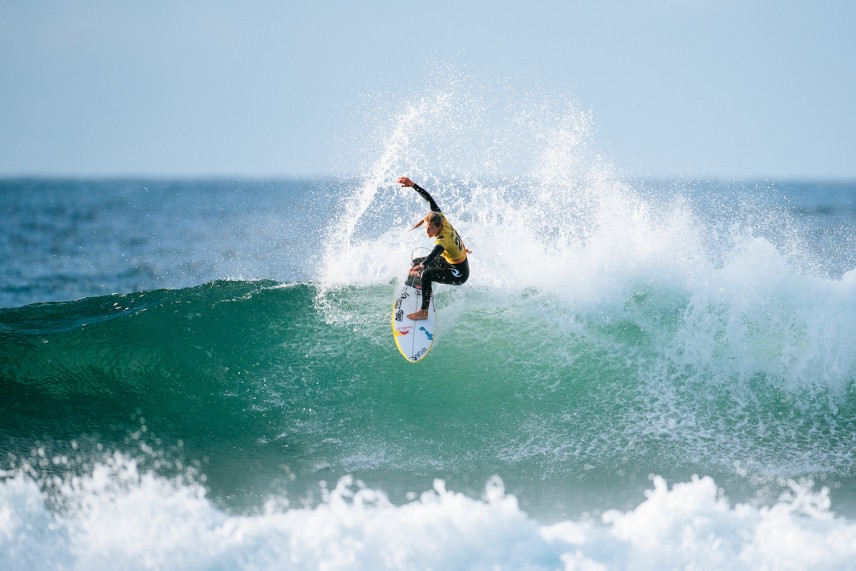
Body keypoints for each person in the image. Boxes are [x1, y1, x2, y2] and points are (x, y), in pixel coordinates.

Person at [397, 176, 470, 320]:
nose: (427, 231)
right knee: (415, 263)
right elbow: (429, 199)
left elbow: (435, 254)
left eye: (430, 229)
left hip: (458, 273)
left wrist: (423, 266)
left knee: (426, 273)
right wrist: (413, 185)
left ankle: (424, 312)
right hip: (450, 261)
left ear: (439, 227)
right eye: (426, 228)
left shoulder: (444, 239)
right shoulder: (439, 216)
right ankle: (420, 287)